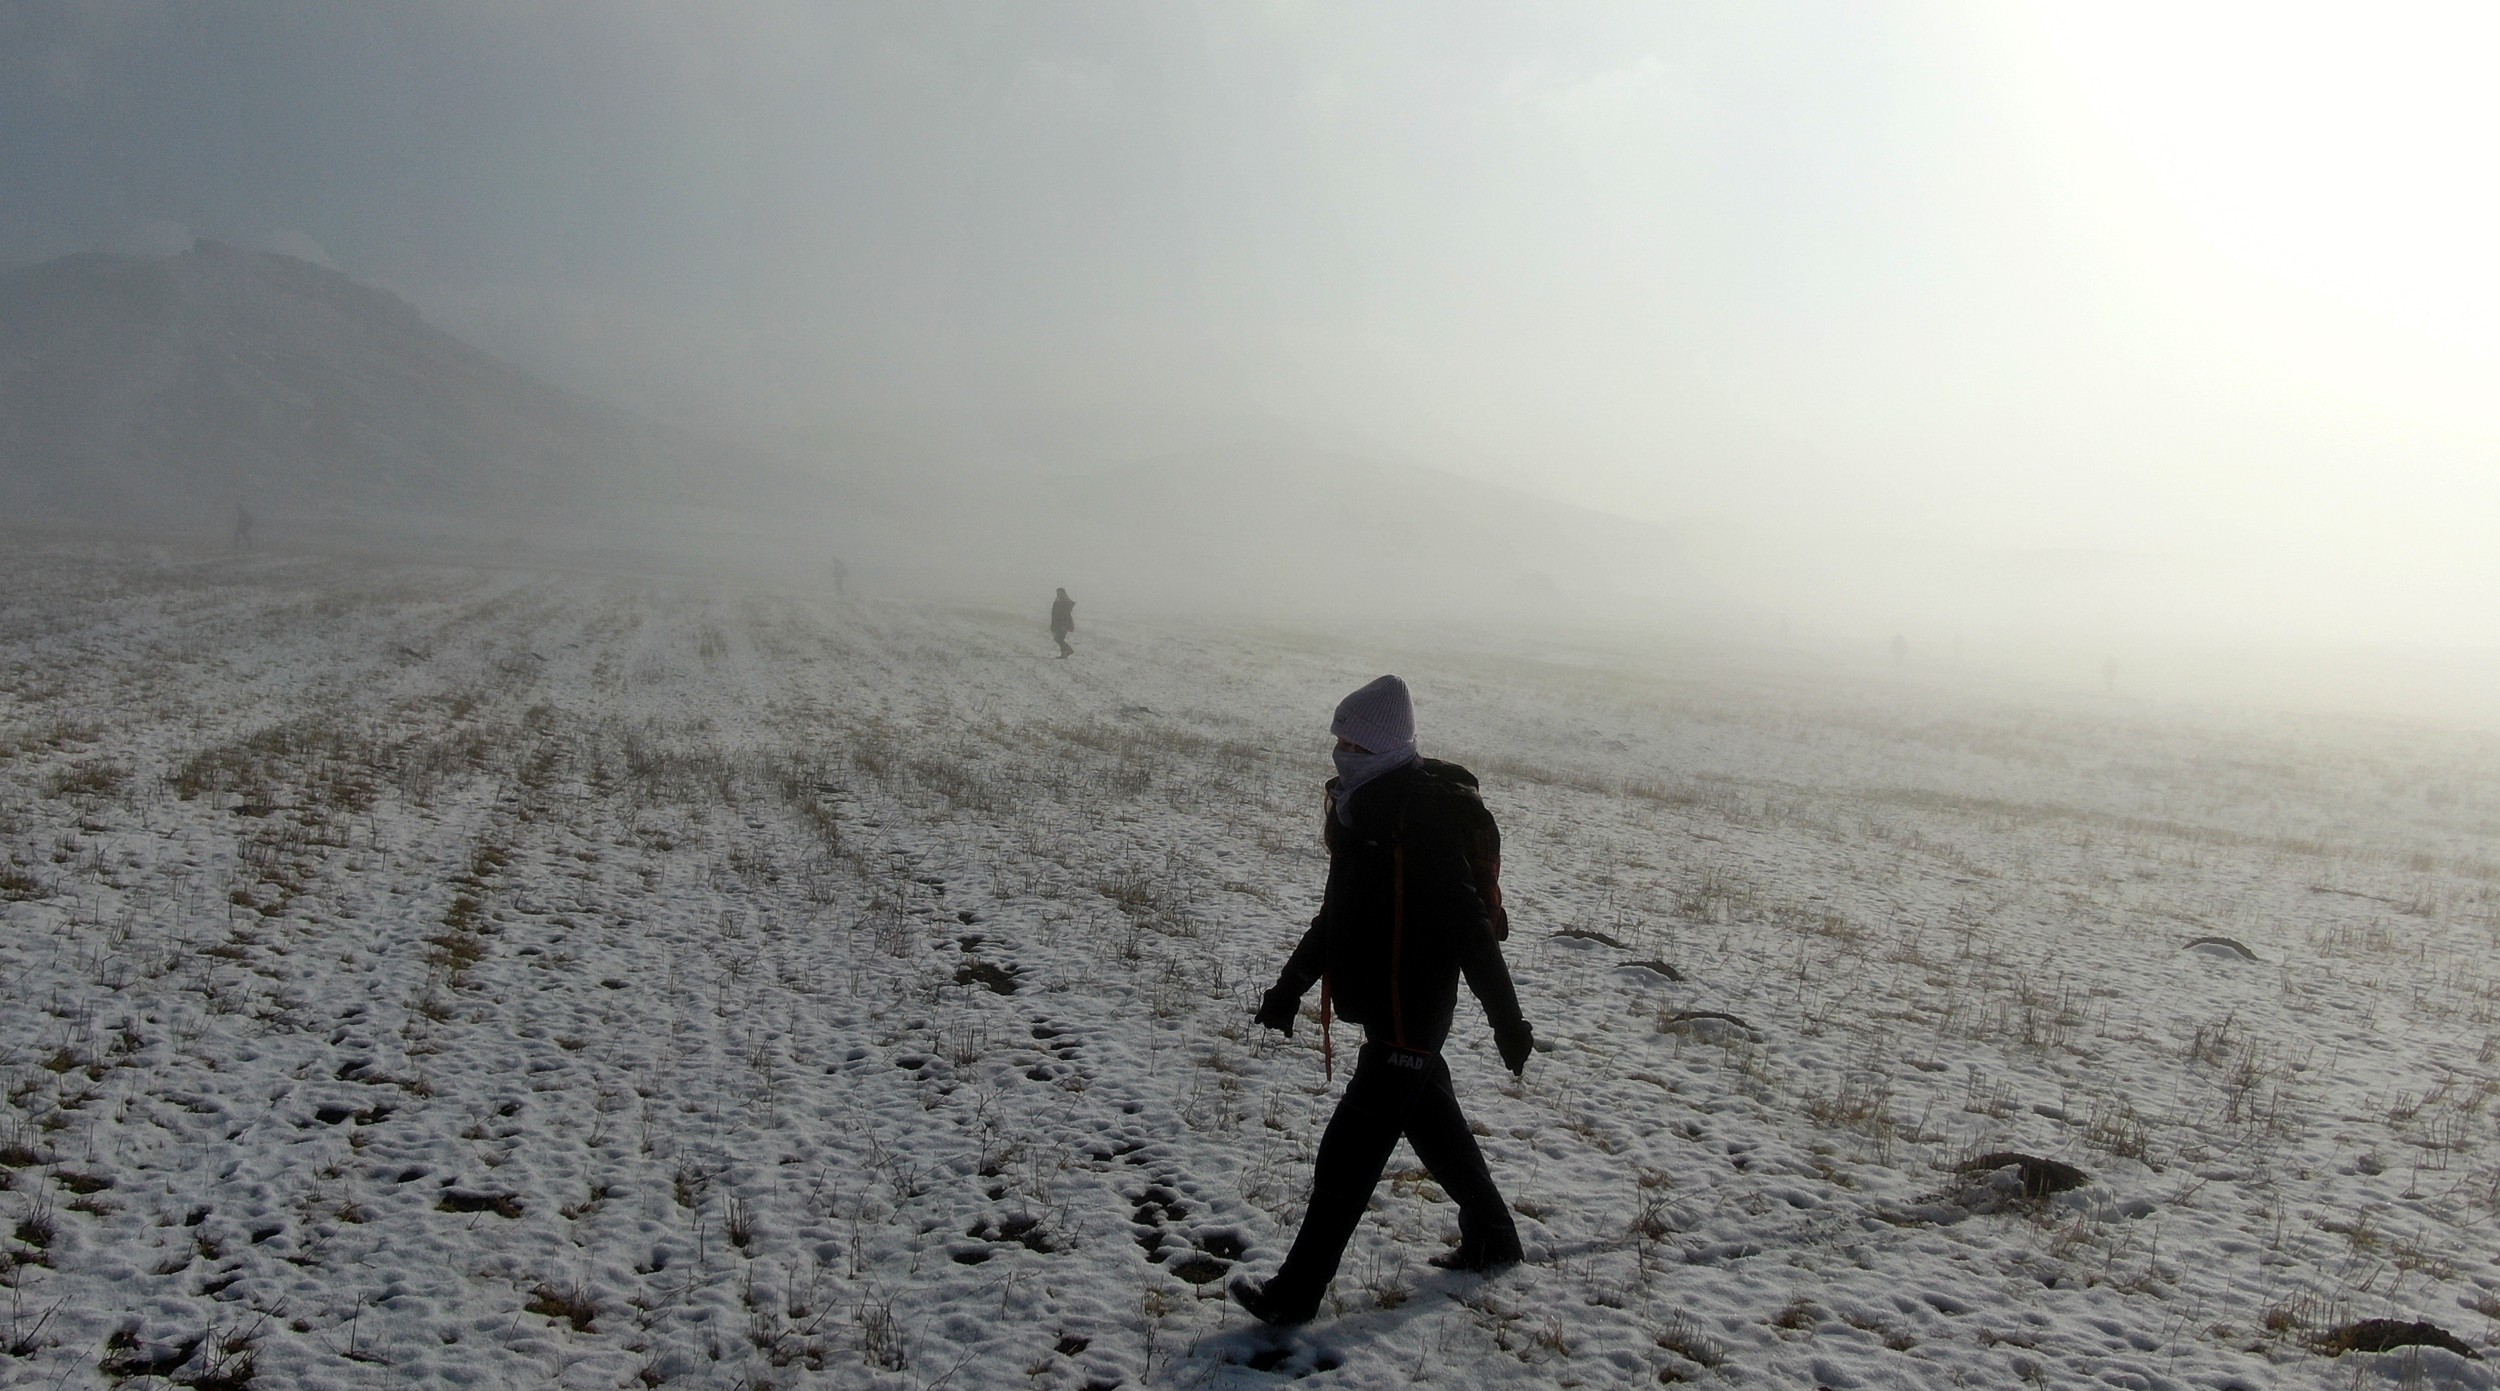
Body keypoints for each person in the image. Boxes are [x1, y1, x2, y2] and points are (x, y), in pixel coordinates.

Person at [1232, 674, 1534, 1326]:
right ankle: (1495, 1233)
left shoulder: (1415, 816)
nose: (1341, 750)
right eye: (1338, 738)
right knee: (1436, 1127)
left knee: (1348, 1151)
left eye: (1354, 741)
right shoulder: (1360, 809)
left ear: (1381, 745)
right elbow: (1334, 919)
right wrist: (1288, 989)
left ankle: (1295, 1294)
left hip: (1412, 1012)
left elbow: (1470, 929)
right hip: (1389, 1011)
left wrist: (1509, 1021)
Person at [1049, 588, 1076, 658]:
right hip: (1058, 623)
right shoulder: (1058, 601)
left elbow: (1065, 615)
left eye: (1059, 592)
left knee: (1059, 639)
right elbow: (1054, 614)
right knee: (1059, 638)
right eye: (1057, 592)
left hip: (1062, 624)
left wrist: (1064, 625)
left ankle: (1068, 650)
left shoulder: (1064, 603)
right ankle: (1065, 653)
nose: (1058, 594)